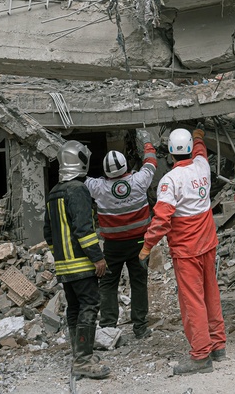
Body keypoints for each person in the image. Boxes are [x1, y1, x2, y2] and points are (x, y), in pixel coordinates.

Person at [140, 124, 226, 375]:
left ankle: (200, 355)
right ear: (189, 148)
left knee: (192, 301)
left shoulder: (170, 180)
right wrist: (199, 135)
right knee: (211, 294)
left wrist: (146, 248)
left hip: (186, 249)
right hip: (207, 244)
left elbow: (161, 221)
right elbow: (201, 151)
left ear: (169, 151)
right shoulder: (202, 167)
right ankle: (218, 345)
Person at [43, 140, 110, 380]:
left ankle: (79, 354)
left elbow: (48, 234)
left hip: (64, 266)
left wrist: (60, 254)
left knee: (74, 309)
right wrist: (97, 257)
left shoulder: (53, 193)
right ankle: (83, 360)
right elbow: (84, 228)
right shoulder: (78, 190)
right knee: (90, 307)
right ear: (80, 161)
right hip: (82, 264)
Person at [85, 134, 157, 340]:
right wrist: (148, 144)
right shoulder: (140, 180)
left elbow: (80, 178)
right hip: (140, 244)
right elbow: (151, 162)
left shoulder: (98, 188)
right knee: (139, 282)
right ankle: (140, 328)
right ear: (126, 166)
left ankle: (108, 327)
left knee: (108, 284)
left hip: (113, 246)